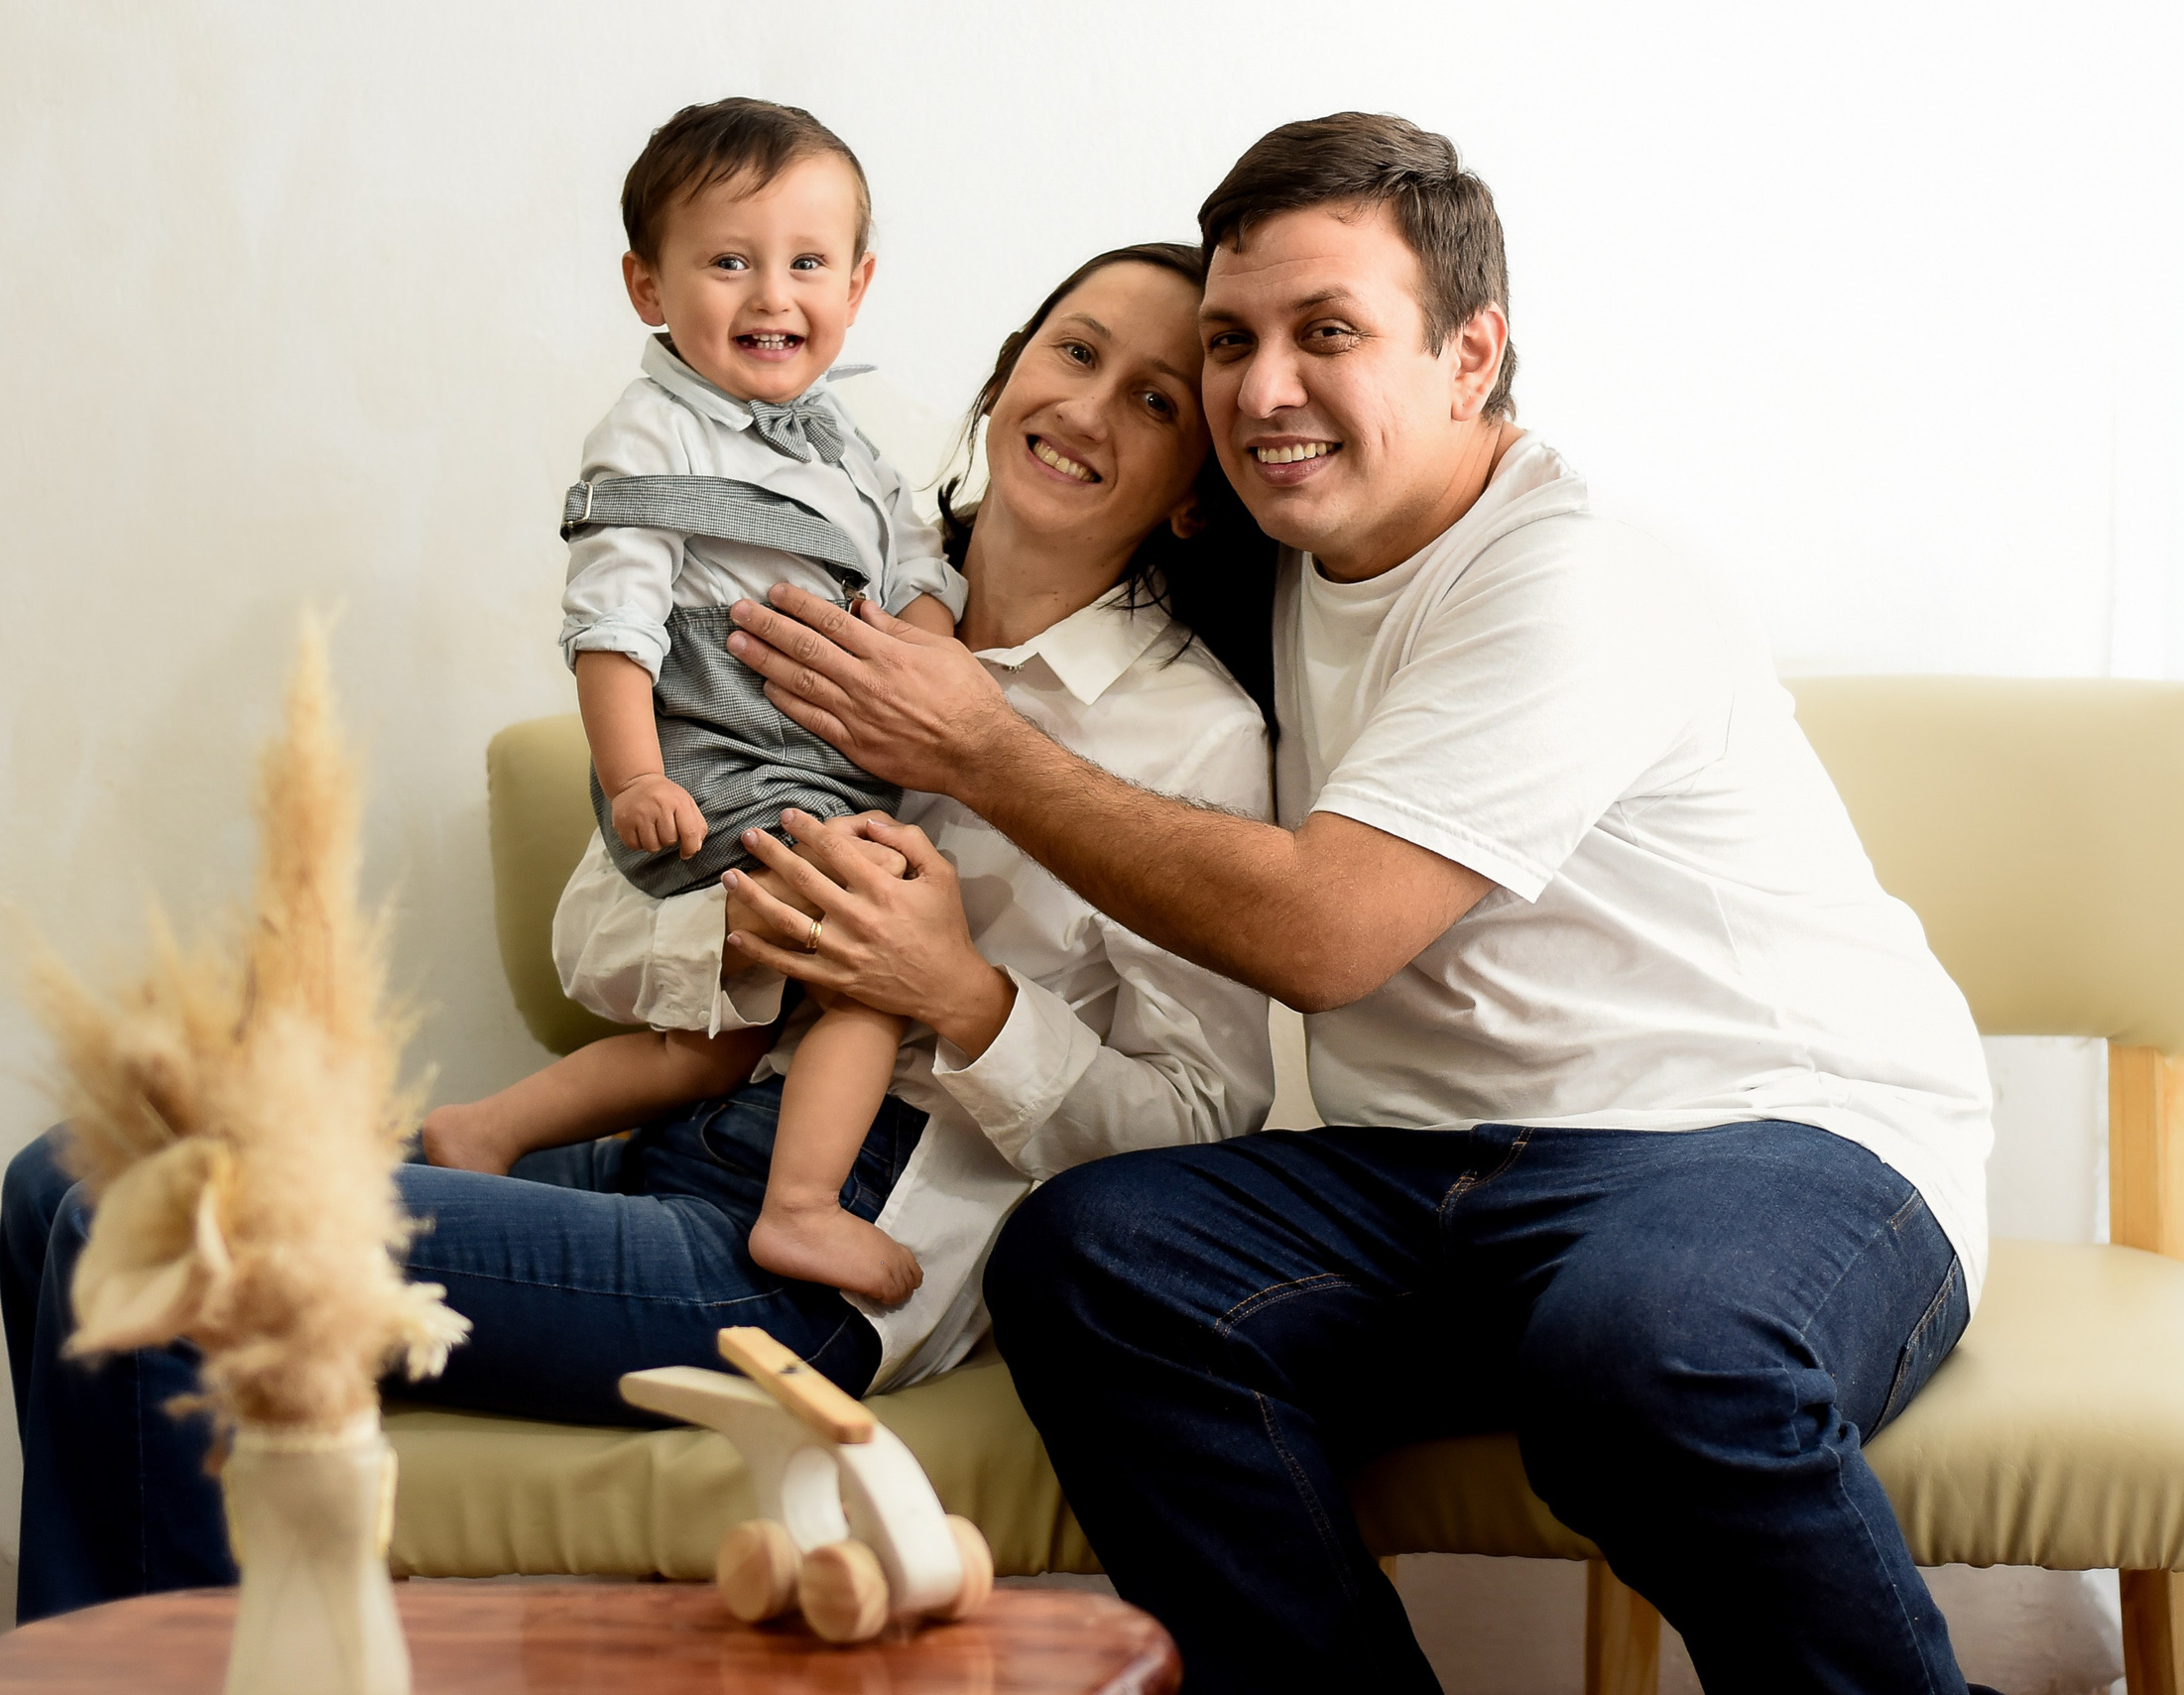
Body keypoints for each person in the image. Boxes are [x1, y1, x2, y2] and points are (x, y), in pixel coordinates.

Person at [715, 114, 2002, 1695]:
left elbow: (1327, 931)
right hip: (1438, 1177)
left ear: (1473, 356)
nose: (1263, 392)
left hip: (1769, 1141)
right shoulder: (1278, 552)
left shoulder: (1574, 578)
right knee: (1099, 1257)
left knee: (1642, 1347)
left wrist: (980, 747)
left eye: (1329, 334)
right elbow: (992, 518)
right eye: (1233, 342)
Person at [0, 241, 1276, 1623]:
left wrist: (963, 997)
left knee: (154, 1222)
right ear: (1011, 369)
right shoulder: (820, 584)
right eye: (1076, 352)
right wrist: (741, 936)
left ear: (1199, 498)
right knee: (55, 1177)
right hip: (664, 1134)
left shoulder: (1188, 738)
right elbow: (596, 930)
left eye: (1157, 402)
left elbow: (1202, 1133)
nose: (1089, 408)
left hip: (820, 1252)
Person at [420, 97, 971, 1303]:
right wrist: (635, 779)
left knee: (715, 1049)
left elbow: (915, 557)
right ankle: (802, 1205)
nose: (774, 296)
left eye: (807, 263)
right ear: (647, 286)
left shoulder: (840, 438)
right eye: (730, 261)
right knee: (875, 953)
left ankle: (485, 1128)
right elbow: (610, 629)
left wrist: (924, 634)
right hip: (727, 757)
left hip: (817, 764)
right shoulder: (653, 435)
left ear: (860, 283)